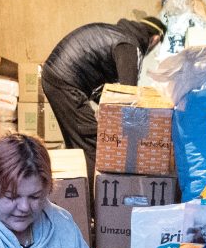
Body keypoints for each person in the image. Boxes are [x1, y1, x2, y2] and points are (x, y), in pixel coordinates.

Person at [40, 16, 166, 171]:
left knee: (78, 142)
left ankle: (77, 187)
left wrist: (108, 113)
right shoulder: (130, 46)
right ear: (154, 39)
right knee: (92, 142)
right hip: (65, 80)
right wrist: (140, 140)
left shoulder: (119, 35)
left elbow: (104, 86)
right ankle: (93, 193)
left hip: (55, 76)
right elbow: (128, 96)